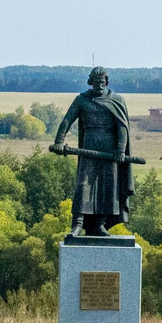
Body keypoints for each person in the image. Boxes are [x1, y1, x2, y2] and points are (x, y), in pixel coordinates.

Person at [51, 67, 135, 235]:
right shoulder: (82, 100)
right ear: (90, 82)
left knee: (108, 187)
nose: (99, 86)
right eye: (96, 83)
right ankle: (77, 224)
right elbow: (67, 120)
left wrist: (120, 150)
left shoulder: (116, 100)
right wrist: (59, 141)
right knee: (84, 185)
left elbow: (122, 127)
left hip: (110, 152)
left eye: (102, 83)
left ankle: (100, 224)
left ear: (107, 82)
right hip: (88, 148)